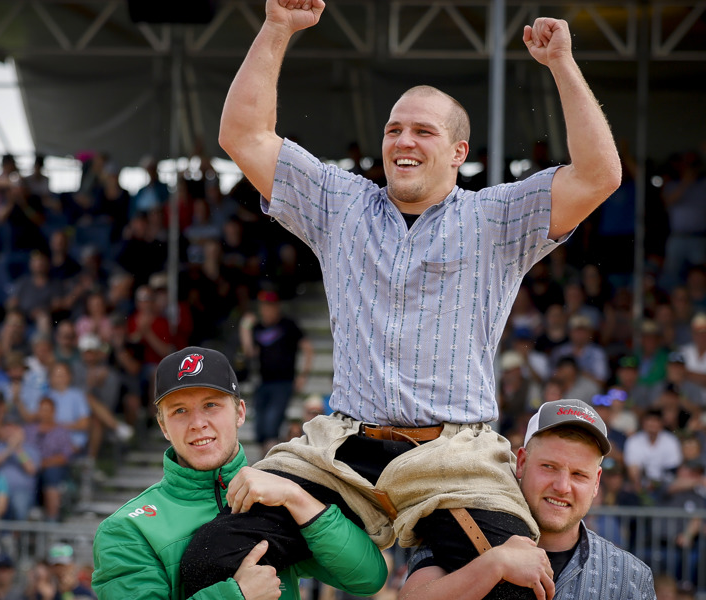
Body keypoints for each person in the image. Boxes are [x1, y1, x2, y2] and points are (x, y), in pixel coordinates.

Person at [208, 2, 621, 597]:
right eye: (394, 129)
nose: (403, 140)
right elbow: (242, 135)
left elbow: (599, 174)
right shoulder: (340, 202)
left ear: (458, 152)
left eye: (423, 131)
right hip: (342, 449)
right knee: (214, 555)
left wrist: (561, 63)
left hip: (457, 458)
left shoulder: (495, 217)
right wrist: (276, 28)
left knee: (520, 582)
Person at [90, 346, 387, 600]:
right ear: (163, 426)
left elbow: (367, 579)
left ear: (240, 413)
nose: (197, 423)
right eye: (179, 411)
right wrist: (237, 594)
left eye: (211, 405)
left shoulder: (281, 489)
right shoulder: (126, 530)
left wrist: (297, 498)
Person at [399, 399, 655, 600]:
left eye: (578, 474)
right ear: (521, 462)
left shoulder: (629, 576)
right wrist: (494, 564)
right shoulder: (464, 529)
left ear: (597, 482)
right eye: (549, 467)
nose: (562, 487)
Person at [239, 290, 314, 454]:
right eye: (264, 306)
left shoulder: (288, 325)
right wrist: (245, 328)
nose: (266, 310)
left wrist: (303, 376)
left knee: (272, 425)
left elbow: (308, 349)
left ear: (277, 307)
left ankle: (270, 464)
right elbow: (250, 352)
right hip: (263, 382)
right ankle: (265, 464)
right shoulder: (258, 327)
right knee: (260, 428)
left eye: (270, 306)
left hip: (284, 383)